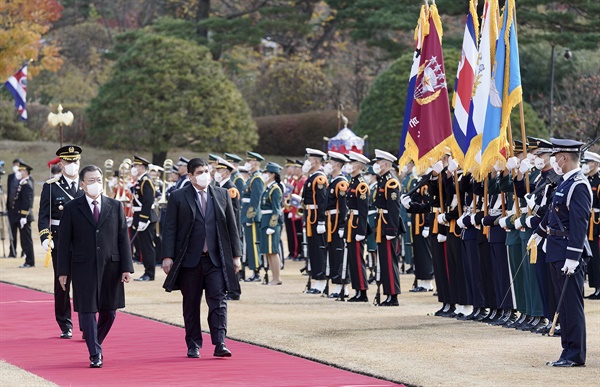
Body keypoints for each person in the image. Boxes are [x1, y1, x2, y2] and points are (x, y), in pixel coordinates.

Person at [161, 158, 241, 359]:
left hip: (215, 259)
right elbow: (169, 228)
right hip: (190, 260)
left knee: (218, 300)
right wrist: (167, 256)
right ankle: (193, 343)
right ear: (190, 176)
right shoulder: (178, 197)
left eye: (207, 170)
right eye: (199, 172)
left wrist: (236, 256)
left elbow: (232, 227)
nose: (204, 175)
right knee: (191, 303)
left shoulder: (222, 195)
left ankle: (220, 341)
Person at [57, 165, 134, 368]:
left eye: (98, 179)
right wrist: (63, 271)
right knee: (88, 310)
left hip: (111, 266)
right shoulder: (72, 208)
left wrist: (127, 267)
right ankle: (95, 353)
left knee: (110, 312)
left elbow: (122, 239)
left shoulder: (115, 206)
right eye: (91, 180)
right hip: (83, 266)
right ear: (82, 184)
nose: (95, 184)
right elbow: (64, 242)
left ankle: (95, 342)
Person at [530, 138, 592, 367]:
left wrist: (573, 257)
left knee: (571, 306)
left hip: (567, 252)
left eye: (555, 157)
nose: (553, 161)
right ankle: (567, 351)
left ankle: (575, 354)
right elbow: (553, 214)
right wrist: (539, 232)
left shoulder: (578, 185)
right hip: (556, 250)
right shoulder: (565, 183)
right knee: (562, 304)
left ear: (564, 158)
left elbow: (578, 224)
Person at [38, 145, 85, 339]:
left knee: (85, 284)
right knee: (62, 283)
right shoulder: (51, 186)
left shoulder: (87, 184)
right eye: (68, 161)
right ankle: (65, 323)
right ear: (61, 163)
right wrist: (44, 237)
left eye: (75, 161)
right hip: (60, 241)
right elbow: (43, 216)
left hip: (84, 242)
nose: (72, 165)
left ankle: (86, 324)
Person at [372, 149, 402, 306]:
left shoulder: (391, 182)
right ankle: (388, 293)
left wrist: (392, 229)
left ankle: (393, 295)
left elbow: (394, 208)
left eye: (378, 162)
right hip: (381, 224)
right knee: (384, 260)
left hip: (388, 226)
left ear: (385, 164)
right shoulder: (382, 180)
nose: (375, 165)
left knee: (390, 261)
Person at [214, 158, 243, 300]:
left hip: (229, 230)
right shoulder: (220, 187)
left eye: (219, 170)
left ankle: (234, 291)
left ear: (226, 172)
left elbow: (234, 215)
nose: (216, 172)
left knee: (231, 262)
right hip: (220, 229)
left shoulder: (231, 189)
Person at [344, 151, 371, 302]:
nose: (349, 166)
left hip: (356, 225)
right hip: (350, 222)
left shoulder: (361, 184)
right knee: (352, 259)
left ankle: (363, 291)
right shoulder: (352, 182)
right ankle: (357, 290)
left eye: (352, 163)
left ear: (359, 166)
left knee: (358, 258)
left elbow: (363, 210)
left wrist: (361, 230)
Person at [302, 148, 328, 294]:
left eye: (310, 159)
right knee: (312, 249)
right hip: (310, 216)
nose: (307, 161)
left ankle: (321, 281)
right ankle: (316, 278)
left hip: (316, 217)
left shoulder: (319, 178)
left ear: (316, 161)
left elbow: (322, 201)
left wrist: (321, 221)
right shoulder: (311, 177)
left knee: (319, 249)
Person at [324, 151, 349, 298]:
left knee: (339, 254)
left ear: (337, 165)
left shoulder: (341, 183)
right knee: (333, 253)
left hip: (337, 222)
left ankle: (342, 285)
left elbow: (343, 207)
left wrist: (341, 226)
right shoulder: (333, 181)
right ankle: (336, 283)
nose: (328, 165)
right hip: (330, 222)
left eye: (331, 163)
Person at [130, 155, 157, 281]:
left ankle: (149, 273)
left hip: (145, 218)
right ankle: (147, 271)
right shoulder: (141, 180)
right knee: (143, 246)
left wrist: (143, 219)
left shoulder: (146, 180)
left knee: (147, 247)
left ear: (141, 167)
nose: (134, 168)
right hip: (139, 216)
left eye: (136, 166)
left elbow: (148, 201)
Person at [240, 151, 265, 282]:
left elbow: (255, 200)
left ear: (255, 162)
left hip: (252, 217)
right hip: (246, 215)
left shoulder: (257, 178)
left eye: (250, 161)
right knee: (250, 244)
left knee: (254, 244)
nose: (248, 163)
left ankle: (256, 271)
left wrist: (250, 216)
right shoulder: (252, 177)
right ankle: (253, 270)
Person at [259, 162, 284, 285]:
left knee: (273, 251)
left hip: (270, 222)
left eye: (267, 173)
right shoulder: (268, 188)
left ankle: (277, 278)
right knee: (268, 251)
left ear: (273, 174)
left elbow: (276, 209)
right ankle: (273, 277)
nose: (264, 175)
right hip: (265, 220)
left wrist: (272, 225)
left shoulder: (275, 189)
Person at [581, 151, 600, 299]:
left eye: (587, 163)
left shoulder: (599, 180)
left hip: (597, 222)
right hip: (588, 222)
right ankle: (595, 286)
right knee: (592, 257)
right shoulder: (587, 179)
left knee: (598, 256)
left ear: (595, 164)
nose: (585, 165)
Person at [12, 162, 35, 268]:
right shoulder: (22, 183)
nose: (19, 172)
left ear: (25, 172)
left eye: (20, 171)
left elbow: (27, 202)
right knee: (24, 239)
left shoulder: (27, 184)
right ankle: (28, 260)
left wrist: (23, 216)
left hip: (24, 217)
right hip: (21, 216)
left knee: (26, 240)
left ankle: (30, 261)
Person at [6, 158, 24, 258]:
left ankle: (24, 251)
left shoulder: (25, 177)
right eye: (14, 164)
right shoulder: (10, 177)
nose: (15, 166)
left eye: (17, 164)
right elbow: (9, 192)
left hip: (20, 209)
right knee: (12, 232)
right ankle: (12, 251)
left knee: (23, 233)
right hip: (11, 209)